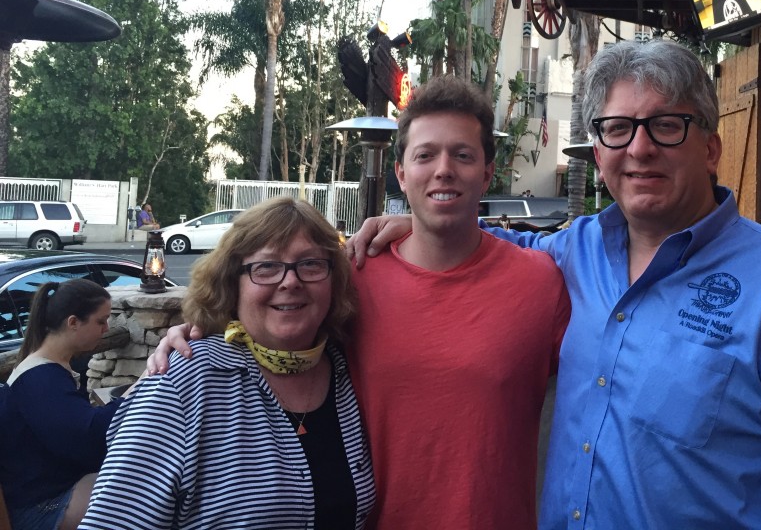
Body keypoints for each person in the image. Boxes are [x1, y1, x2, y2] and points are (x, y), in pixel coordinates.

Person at [349, 41, 761, 529]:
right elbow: (487, 254)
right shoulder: (572, 252)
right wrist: (420, 225)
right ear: (599, 154)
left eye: (666, 125)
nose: (639, 148)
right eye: (618, 129)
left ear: (711, 148)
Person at [148, 76, 570, 530]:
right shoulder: (354, 277)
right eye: (425, 155)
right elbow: (275, 323)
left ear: (488, 171)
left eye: (462, 155)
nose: (443, 169)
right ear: (402, 173)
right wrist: (198, 335)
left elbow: (601, 384)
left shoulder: (540, 282)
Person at [80, 197, 375, 530]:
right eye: (266, 267)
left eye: (310, 264)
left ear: (333, 281)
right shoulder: (184, 385)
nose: (290, 281)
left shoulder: (349, 373)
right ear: (232, 284)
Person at [0, 279, 125, 530]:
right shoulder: (39, 379)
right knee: (136, 497)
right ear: (73, 323)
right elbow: (89, 436)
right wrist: (139, 388)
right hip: (38, 509)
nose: (106, 328)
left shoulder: (49, 369)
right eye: (100, 321)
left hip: (52, 489)